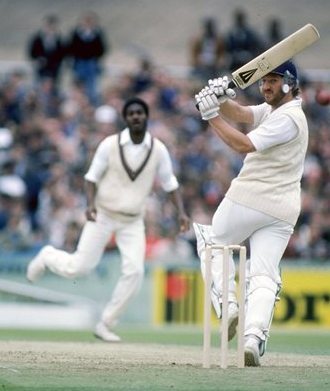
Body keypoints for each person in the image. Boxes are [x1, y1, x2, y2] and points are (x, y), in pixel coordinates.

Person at [26, 97, 190, 342]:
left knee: (135, 271)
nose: (136, 117)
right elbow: (91, 178)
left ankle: (106, 323)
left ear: (147, 117)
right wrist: (90, 204)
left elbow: (170, 184)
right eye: (131, 113)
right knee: (79, 267)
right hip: (103, 214)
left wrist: (181, 212)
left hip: (133, 221)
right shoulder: (110, 145)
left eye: (140, 113)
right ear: (125, 119)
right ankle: (48, 255)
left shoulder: (158, 150)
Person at [193, 60, 309, 366]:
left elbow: (243, 144)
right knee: (265, 274)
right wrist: (220, 98)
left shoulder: (288, 119)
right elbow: (243, 114)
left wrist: (211, 117)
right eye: (263, 81)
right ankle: (253, 339)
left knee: (211, 240)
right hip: (283, 210)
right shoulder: (276, 111)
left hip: (250, 197)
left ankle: (228, 305)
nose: (266, 86)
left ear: (290, 83)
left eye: (273, 81)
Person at [67, 11, 108, 106]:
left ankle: (91, 103)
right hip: (79, 62)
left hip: (91, 62)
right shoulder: (76, 33)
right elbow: (70, 48)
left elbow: (102, 48)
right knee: (78, 83)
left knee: (92, 85)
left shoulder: (97, 34)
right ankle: (78, 101)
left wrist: (95, 56)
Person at [27, 14, 67, 90]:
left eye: (52, 25)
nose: (50, 28)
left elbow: (63, 53)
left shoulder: (59, 38)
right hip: (41, 67)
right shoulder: (37, 38)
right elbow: (32, 52)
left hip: (54, 68)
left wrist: (58, 62)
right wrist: (38, 59)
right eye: (48, 25)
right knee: (38, 86)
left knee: (54, 87)